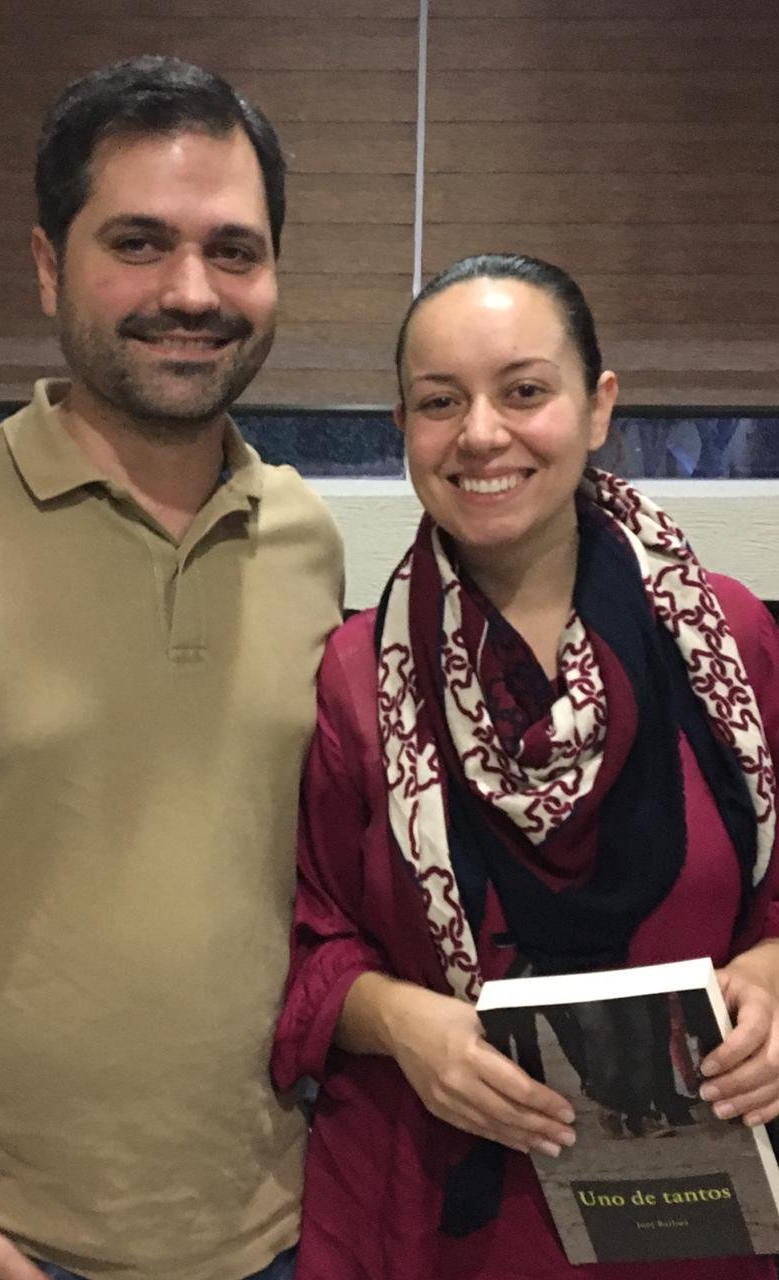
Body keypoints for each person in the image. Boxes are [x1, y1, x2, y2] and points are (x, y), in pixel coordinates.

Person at [0, 56, 343, 1280]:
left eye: (233, 250)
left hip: (274, 1235)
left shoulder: (306, 538)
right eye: (139, 243)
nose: (191, 291)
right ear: (50, 264)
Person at [272, 252, 779, 1280]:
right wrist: (401, 1021)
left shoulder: (727, 642)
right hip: (438, 1209)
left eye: (524, 391)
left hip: (691, 1216)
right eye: (439, 402)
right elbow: (308, 940)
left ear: (599, 408)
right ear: (403, 429)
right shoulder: (356, 677)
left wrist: (773, 974)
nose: (481, 434)